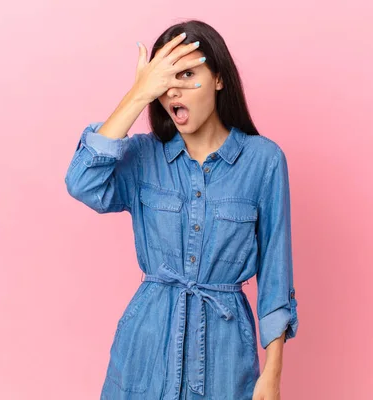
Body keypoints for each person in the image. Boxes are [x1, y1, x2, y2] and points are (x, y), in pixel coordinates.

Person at [65, 19, 298, 400]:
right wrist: (138, 94)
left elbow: (276, 276)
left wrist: (272, 376)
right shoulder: (142, 156)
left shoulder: (264, 162)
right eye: (164, 79)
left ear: (219, 79)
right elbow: (82, 182)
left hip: (225, 356)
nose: (173, 88)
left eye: (187, 73)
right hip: (146, 347)